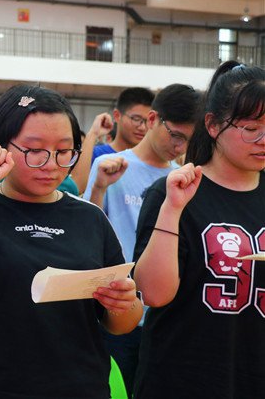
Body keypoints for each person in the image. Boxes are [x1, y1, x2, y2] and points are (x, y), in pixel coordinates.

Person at [0, 84, 143, 398]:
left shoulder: (90, 218)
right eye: (34, 151)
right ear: (0, 146)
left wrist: (124, 303)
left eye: (64, 151)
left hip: (80, 386)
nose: (51, 164)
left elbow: (121, 323)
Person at [133, 62, 265, 399]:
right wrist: (173, 209)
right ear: (212, 124)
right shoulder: (175, 191)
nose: (263, 139)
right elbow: (152, 294)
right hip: (185, 378)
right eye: (251, 128)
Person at [83, 83, 201, 394]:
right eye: (175, 135)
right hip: (118, 309)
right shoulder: (110, 166)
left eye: (188, 141)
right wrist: (99, 189)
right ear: (152, 120)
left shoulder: (184, 179)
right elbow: (89, 234)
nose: (179, 147)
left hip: (164, 316)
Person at [73, 87, 155, 194]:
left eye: (148, 121)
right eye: (136, 119)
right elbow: (77, 187)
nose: (142, 127)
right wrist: (93, 133)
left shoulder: (153, 161)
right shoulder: (97, 154)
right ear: (117, 116)